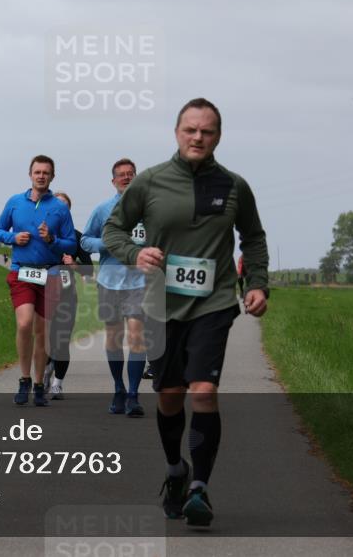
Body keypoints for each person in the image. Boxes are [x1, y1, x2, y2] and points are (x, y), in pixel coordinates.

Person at [103, 98, 269, 528]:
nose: (198, 137)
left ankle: (201, 488)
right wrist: (136, 253)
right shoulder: (150, 182)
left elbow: (252, 237)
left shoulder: (235, 186)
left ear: (218, 136)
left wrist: (257, 284)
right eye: (190, 129)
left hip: (212, 303)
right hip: (159, 303)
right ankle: (176, 470)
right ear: (177, 133)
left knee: (203, 392)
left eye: (207, 131)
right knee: (170, 395)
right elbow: (113, 230)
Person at [0, 155, 76, 407]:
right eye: (37, 172)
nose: (41, 176)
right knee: (24, 323)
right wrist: (12, 238)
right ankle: (24, 378)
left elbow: (71, 243)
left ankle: (39, 383)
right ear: (30, 174)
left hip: (49, 274)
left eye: (46, 172)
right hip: (22, 272)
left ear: (52, 176)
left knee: (42, 333)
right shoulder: (15, 202)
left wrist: (52, 240)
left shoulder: (60, 209)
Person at [81, 158, 148, 417]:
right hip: (109, 280)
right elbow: (85, 241)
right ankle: (118, 388)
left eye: (131, 174)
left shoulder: (148, 209)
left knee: (136, 336)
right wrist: (108, 243)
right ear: (113, 181)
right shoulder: (102, 210)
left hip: (139, 281)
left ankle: (133, 395)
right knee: (113, 337)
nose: (127, 178)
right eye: (121, 175)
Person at [43, 192, 94, 399]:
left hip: (66, 294)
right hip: (43, 293)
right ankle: (45, 371)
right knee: (45, 339)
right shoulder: (40, 235)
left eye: (64, 206)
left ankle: (57, 384)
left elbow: (89, 270)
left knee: (61, 339)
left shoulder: (77, 237)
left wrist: (74, 265)